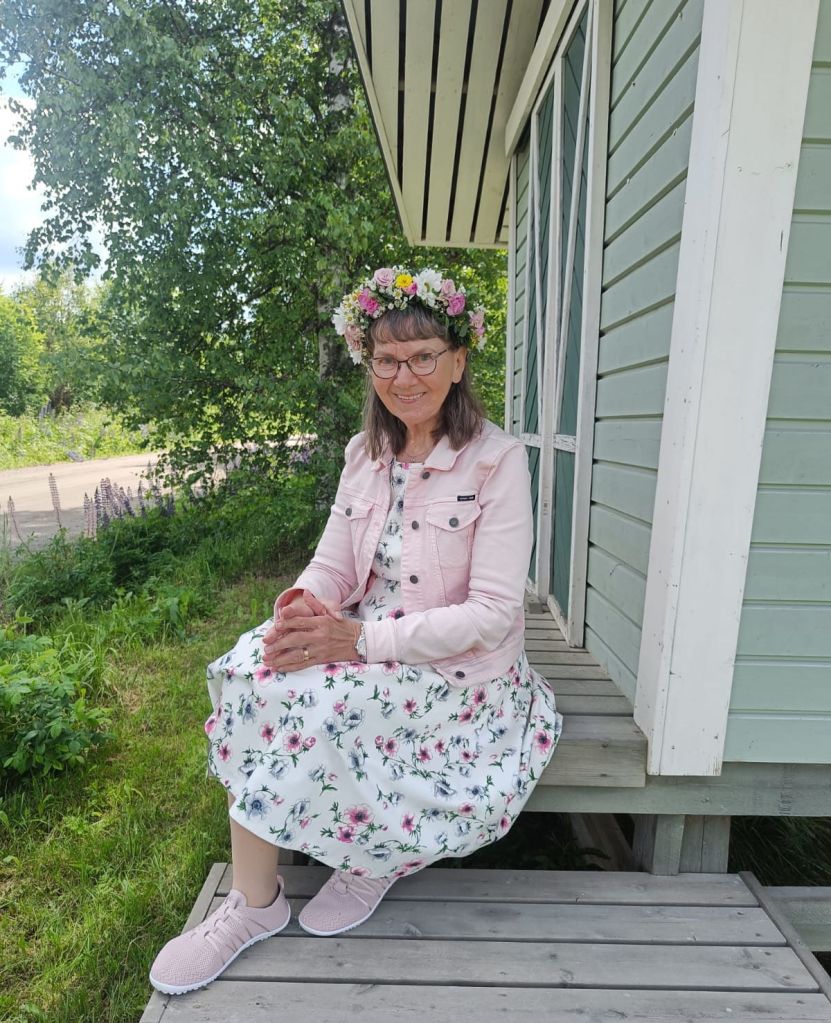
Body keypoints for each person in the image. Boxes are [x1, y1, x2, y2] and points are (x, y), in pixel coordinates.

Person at [149, 266, 563, 995]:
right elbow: (334, 563)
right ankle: (254, 904)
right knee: (253, 669)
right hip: (370, 638)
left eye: (423, 356)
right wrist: (303, 606)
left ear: (458, 360)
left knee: (330, 705)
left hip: (456, 672)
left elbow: (492, 613)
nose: (405, 377)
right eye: (387, 360)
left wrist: (357, 642)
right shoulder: (364, 454)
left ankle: (373, 857)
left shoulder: (496, 461)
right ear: (368, 366)